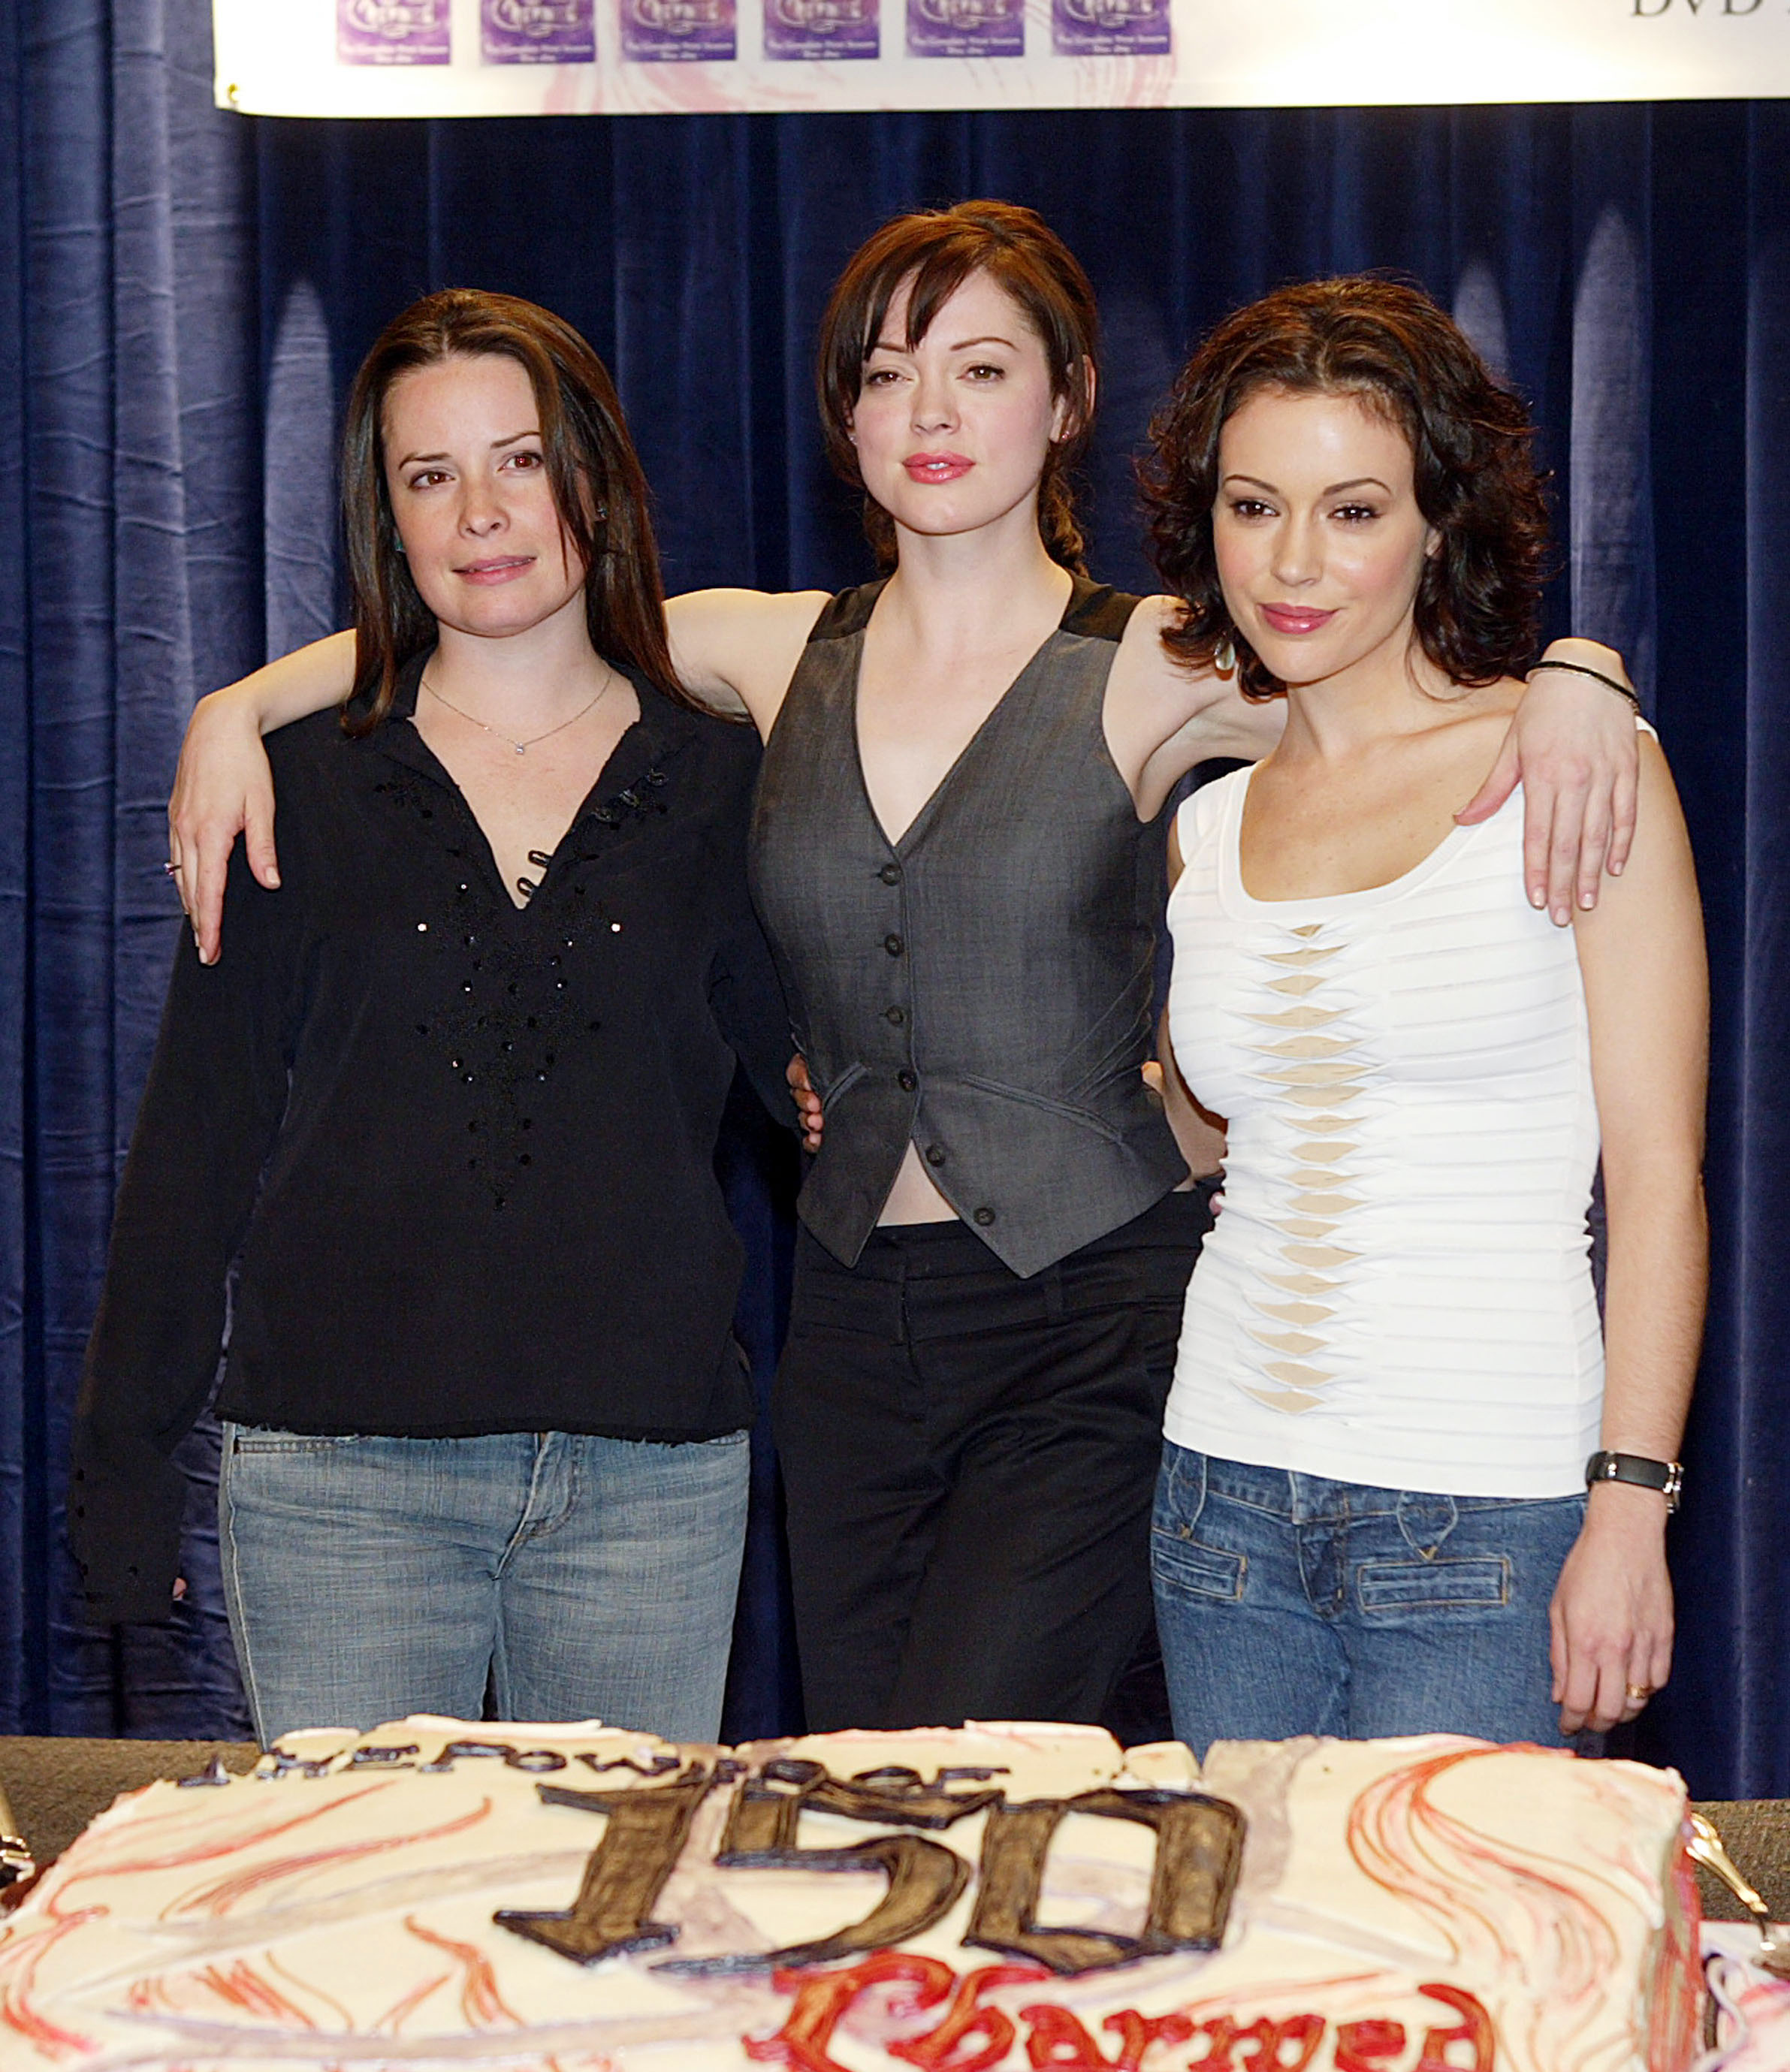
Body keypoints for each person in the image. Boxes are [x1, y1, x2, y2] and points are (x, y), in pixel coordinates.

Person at [162, 206, 1645, 1735]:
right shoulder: (766, 647)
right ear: (846, 418)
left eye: (981, 367)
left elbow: (1423, 701)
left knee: (965, 1753)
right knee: (872, 1811)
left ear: (1066, 400)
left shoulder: (1162, 662)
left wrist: (1578, 676)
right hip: (853, 1341)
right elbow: (492, 615)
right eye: (885, 374)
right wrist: (236, 706)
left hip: (1092, 1331)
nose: (929, 413)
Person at [68, 290, 792, 1746]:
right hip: (341, 1489)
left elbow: (811, 1083)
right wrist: (123, 1477)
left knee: (617, 1950)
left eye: (520, 460)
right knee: (357, 1943)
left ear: (594, 473)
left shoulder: (726, 779)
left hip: (647, 1485)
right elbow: (195, 1146)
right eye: (428, 474)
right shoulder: (294, 780)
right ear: (381, 514)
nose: (480, 511)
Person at [1143, 276, 1707, 1751]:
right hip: (1217, 1497)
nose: (1293, 562)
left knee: (1473, 1969)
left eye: (1353, 510)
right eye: (1255, 505)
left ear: (1435, 524)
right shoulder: (1207, 827)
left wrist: (1629, 1505)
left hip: (1487, 1511)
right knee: (1257, 1975)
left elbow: (1656, 1176)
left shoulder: (1573, 766)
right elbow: (1219, 1142)